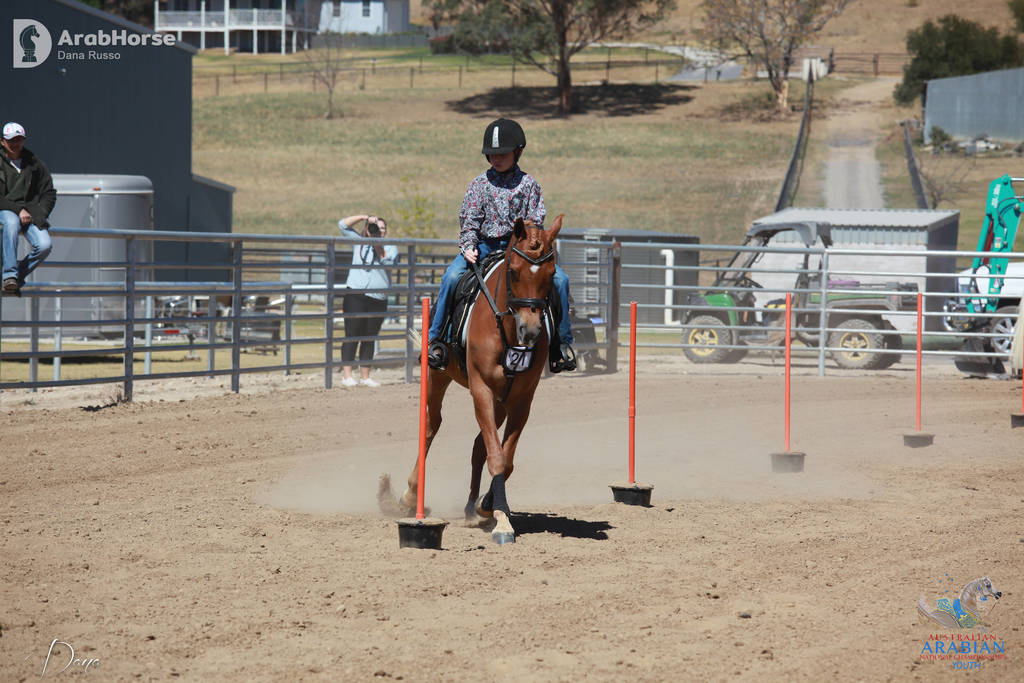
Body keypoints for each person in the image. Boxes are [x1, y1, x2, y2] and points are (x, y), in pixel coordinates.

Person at [426, 118, 575, 372]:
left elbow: (536, 223)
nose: (497, 159)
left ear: (518, 152)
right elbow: (469, 220)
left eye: (503, 154)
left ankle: (560, 344)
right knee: (451, 277)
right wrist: (469, 245)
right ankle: (436, 340)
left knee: (560, 281)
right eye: (492, 154)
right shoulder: (479, 185)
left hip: (520, 251)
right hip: (484, 246)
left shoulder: (529, 185)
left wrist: (530, 246)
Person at [337, 214, 398, 387]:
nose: (378, 231)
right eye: (375, 228)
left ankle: (365, 376)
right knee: (352, 335)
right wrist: (365, 217)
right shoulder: (359, 241)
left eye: (382, 229)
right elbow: (342, 225)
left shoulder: (390, 246)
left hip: (378, 297)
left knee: (370, 337)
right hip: (356, 294)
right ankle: (347, 375)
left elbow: (389, 263)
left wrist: (378, 244)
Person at [1, 122, 55, 295]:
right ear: (2, 142)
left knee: (45, 245)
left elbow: (49, 192)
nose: (15, 144)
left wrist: (40, 214)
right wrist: (18, 211)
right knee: (11, 222)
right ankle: (9, 274)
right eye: (11, 140)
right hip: (5, 208)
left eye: (19, 140)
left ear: (24, 140)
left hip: (29, 212)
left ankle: (15, 278)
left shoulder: (34, 163)